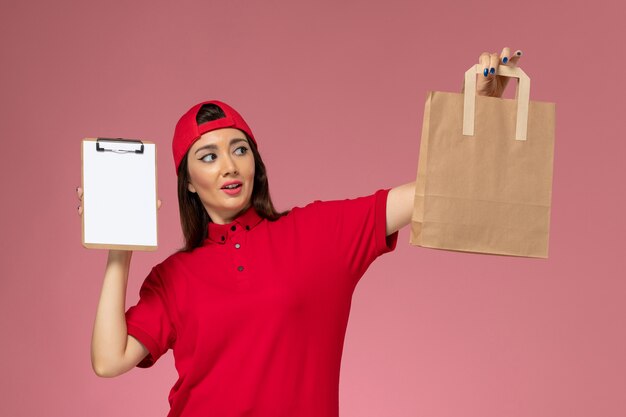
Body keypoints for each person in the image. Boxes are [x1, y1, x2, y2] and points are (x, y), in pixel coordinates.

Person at [78, 47, 522, 417]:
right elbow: (108, 359)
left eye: (239, 149)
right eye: (208, 156)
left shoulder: (317, 233)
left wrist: (478, 116)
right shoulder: (173, 277)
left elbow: (435, 192)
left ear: (255, 162)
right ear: (188, 181)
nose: (230, 165)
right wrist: (119, 251)